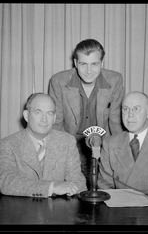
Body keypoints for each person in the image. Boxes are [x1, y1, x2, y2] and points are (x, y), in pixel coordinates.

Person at [48, 39, 125, 188]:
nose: (89, 71)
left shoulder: (115, 80)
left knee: (104, 190)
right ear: (76, 63)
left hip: (103, 143)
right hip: (70, 142)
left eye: (94, 64)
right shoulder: (59, 81)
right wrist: (56, 157)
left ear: (101, 63)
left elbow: (116, 122)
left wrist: (118, 154)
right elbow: (56, 123)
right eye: (83, 64)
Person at [0, 93, 87, 198]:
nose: (44, 119)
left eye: (49, 113)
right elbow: (6, 182)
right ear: (26, 116)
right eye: (38, 112)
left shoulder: (67, 141)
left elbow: (78, 182)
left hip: (58, 211)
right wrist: (51, 187)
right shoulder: (8, 145)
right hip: (21, 210)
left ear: (54, 118)